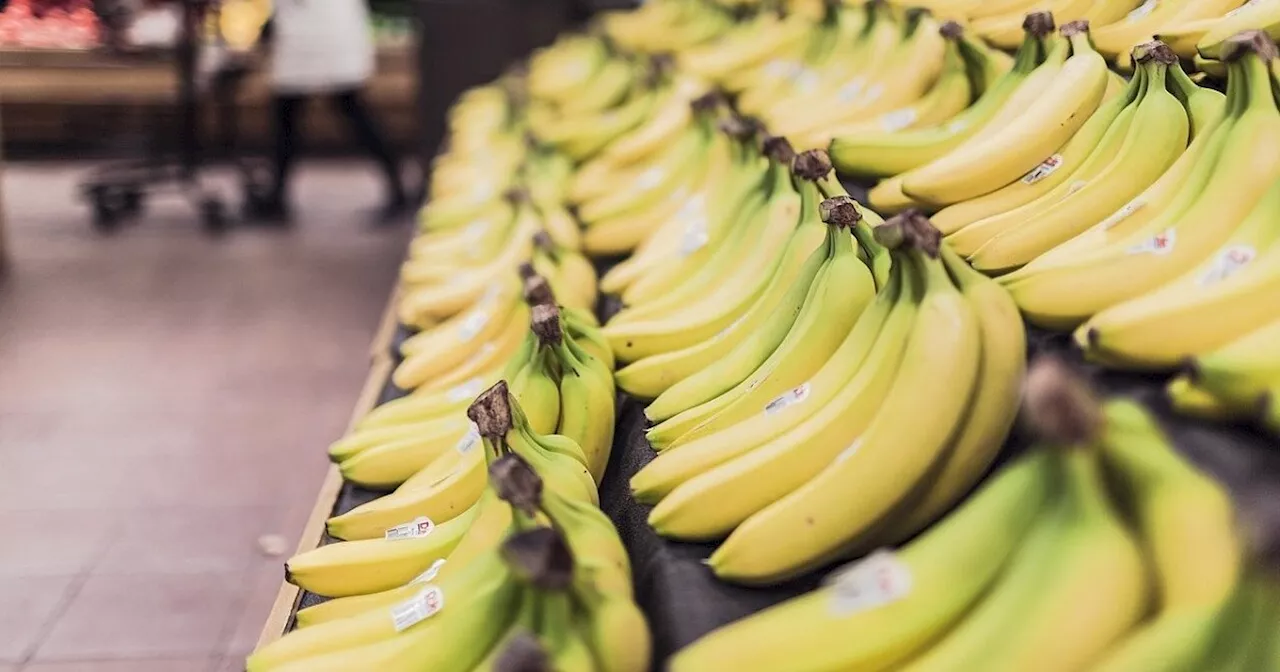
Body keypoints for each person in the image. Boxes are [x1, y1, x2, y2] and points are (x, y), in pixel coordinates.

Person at [252, 0, 409, 224]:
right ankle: (277, 195)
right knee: (290, 114)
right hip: (306, 28)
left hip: (326, 27)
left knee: (345, 109)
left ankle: (397, 186)